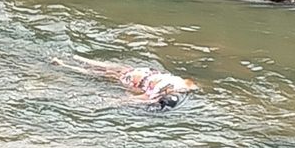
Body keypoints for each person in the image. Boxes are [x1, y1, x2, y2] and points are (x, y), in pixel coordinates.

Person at [51, 55, 199, 108]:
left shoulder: (183, 84)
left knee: (109, 69)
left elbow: (194, 85)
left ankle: (77, 60)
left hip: (143, 72)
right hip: (135, 79)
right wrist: (118, 100)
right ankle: (69, 63)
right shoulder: (156, 94)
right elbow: (136, 99)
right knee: (103, 73)